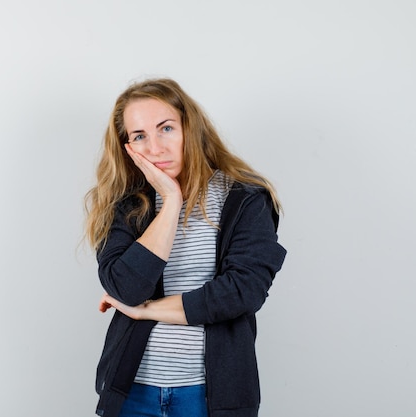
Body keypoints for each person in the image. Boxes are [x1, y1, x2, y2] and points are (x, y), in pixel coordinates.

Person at [84, 78, 287, 417]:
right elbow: (126, 288)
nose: (154, 147)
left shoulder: (246, 199)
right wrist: (171, 201)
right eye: (139, 136)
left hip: (211, 397)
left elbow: (241, 293)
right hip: (131, 392)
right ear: (127, 147)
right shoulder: (128, 206)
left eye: (165, 128)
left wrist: (147, 310)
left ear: (189, 128)